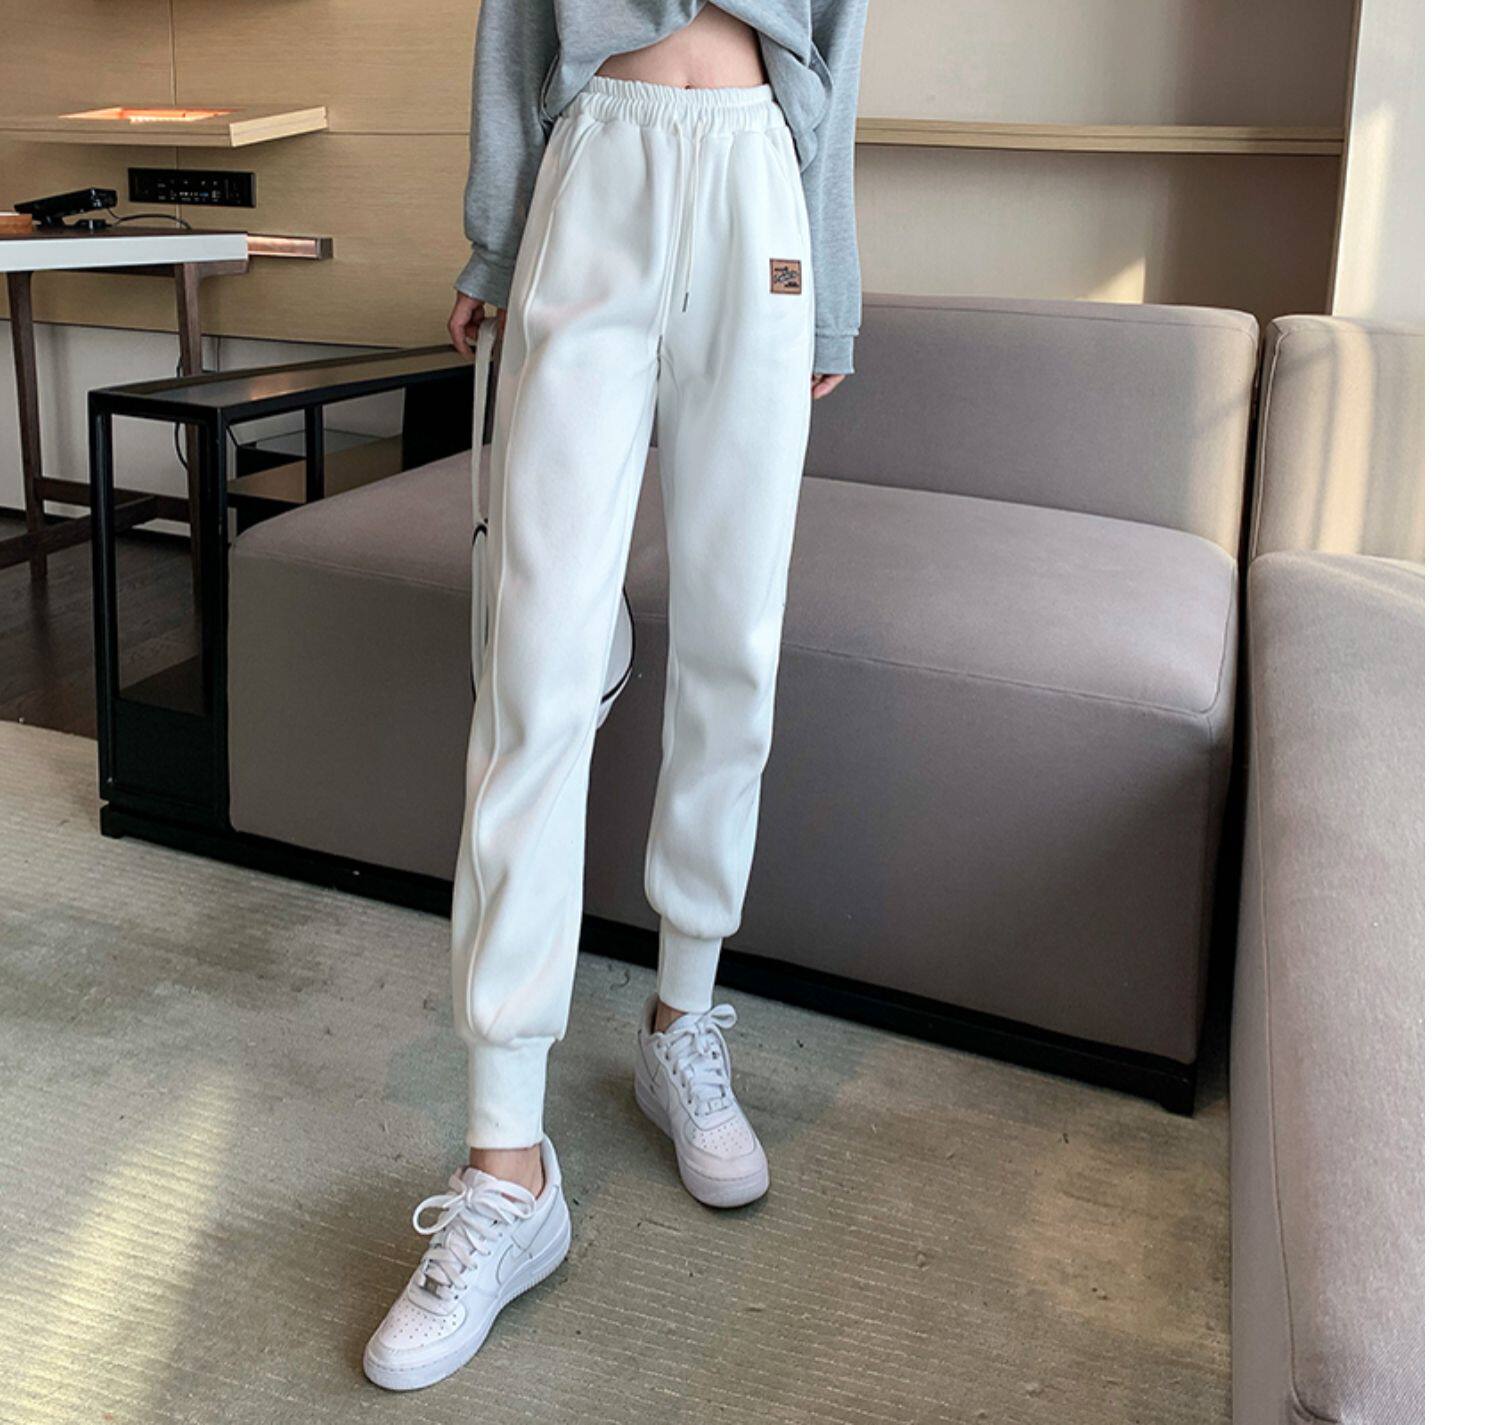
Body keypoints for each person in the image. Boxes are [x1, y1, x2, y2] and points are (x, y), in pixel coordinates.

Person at [364, 0, 868, 1391]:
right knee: (534, 666)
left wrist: (828, 277)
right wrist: (495, 238)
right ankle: (505, 1162)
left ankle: (681, 1021)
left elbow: (837, 36)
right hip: (595, 169)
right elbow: (512, 26)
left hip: (759, 179)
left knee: (735, 644)